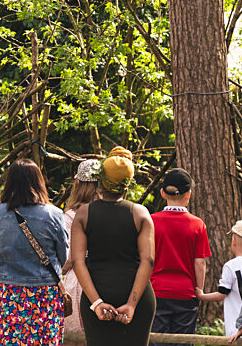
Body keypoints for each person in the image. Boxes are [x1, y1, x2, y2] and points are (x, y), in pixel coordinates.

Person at [72, 147, 157, 345]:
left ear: (101, 181)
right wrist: (132, 304)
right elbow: (148, 260)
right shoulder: (140, 214)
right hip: (137, 298)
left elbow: (77, 262)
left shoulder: (83, 214)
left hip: (97, 294)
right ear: (128, 184)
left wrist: (97, 302)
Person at [0, 159, 68, 346]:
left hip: (8, 293)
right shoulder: (54, 214)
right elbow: (64, 256)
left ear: (9, 182)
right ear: (38, 182)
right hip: (45, 293)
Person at [149, 168, 211, 343]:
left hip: (156, 292)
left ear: (162, 193)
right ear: (188, 194)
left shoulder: (151, 221)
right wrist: (199, 289)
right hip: (185, 294)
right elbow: (200, 263)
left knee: (156, 341)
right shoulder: (198, 225)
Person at [60, 160, 101, 336]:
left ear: (78, 183)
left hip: (77, 280)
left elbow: (69, 257)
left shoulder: (71, 215)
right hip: (104, 274)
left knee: (75, 337)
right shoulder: (110, 210)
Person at [200, 219, 242, 338]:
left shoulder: (231, 266)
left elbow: (222, 294)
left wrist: (202, 296)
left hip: (237, 326)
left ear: (234, 242)